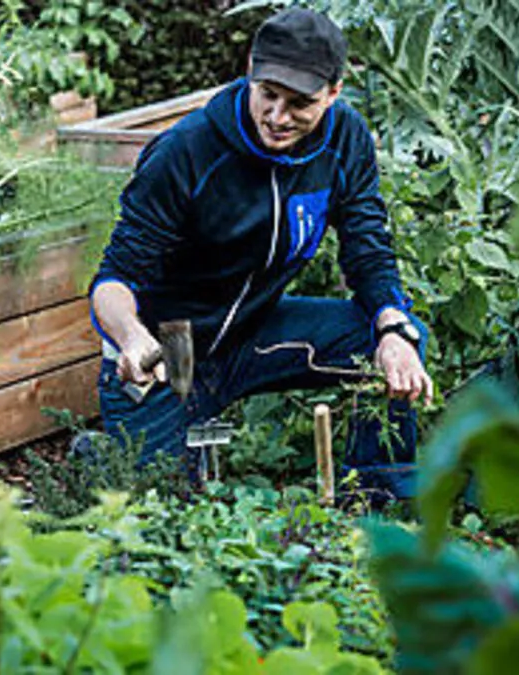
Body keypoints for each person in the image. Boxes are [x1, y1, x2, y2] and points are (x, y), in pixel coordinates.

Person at [86, 7, 433, 500]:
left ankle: (378, 504)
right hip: (167, 349)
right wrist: (131, 336)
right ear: (250, 70)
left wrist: (392, 324)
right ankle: (106, 456)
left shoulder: (346, 140)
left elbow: (367, 245)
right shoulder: (186, 152)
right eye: (268, 94)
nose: (277, 116)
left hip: (253, 332)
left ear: (334, 93)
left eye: (300, 104)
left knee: (390, 340)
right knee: (160, 509)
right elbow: (113, 281)